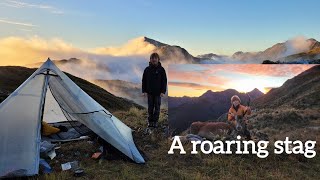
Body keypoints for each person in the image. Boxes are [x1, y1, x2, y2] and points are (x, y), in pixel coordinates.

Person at [142, 52, 167, 128]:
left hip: (158, 93)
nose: (154, 59)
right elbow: (144, 80)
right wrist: (144, 91)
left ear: (158, 59)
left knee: (157, 107)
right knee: (150, 107)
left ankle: (155, 121)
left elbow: (164, 81)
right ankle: (150, 121)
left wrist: (163, 91)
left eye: (155, 58)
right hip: (149, 92)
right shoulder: (147, 69)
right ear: (150, 59)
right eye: (152, 58)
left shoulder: (161, 70)